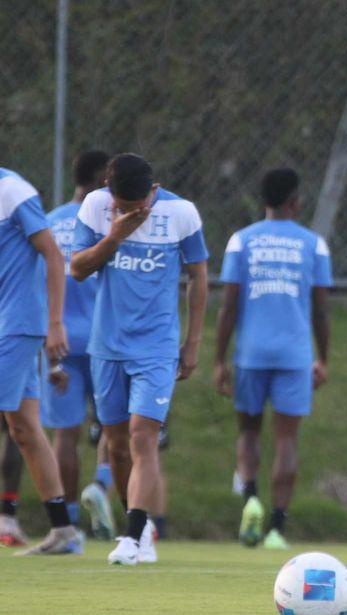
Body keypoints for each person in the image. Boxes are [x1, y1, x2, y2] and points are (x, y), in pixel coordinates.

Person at [71, 153, 209, 565]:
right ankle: (141, 523)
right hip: (107, 345)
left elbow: (198, 274)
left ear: (153, 189)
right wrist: (114, 236)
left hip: (156, 347)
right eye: (122, 206)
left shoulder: (181, 213)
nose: (130, 213)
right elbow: (77, 268)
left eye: (136, 207)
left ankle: (132, 537)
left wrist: (193, 342)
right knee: (115, 447)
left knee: (141, 436)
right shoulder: (96, 207)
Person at [214, 168, 331, 550]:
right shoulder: (313, 244)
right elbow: (321, 309)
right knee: (287, 440)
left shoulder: (240, 241)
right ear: (295, 202)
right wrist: (323, 357)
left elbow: (228, 306)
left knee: (248, 433)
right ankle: (277, 528)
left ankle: (250, 499)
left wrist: (218, 358)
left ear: (263, 200)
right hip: (295, 354)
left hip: (251, 353)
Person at [41, 150, 118, 544]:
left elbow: (39, 283)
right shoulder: (110, 220)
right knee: (113, 424)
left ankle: (68, 525)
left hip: (61, 340)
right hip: (106, 337)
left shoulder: (49, 222)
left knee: (65, 436)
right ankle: (101, 484)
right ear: (104, 178)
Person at [0, 166, 77, 555]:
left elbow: (52, 253)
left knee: (21, 426)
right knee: (25, 428)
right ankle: (63, 531)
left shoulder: (13, 190)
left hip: (17, 323)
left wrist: (55, 322)